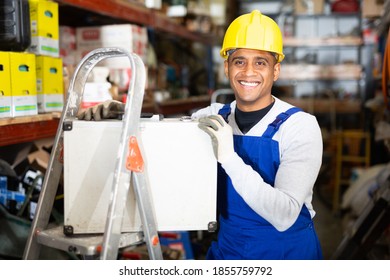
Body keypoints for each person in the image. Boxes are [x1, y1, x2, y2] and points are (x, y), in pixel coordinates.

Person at [192, 10, 324, 260]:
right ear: (227, 67)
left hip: (286, 254)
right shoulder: (214, 115)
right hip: (229, 251)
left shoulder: (299, 126)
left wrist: (229, 158)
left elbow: (284, 215)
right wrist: (125, 114)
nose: (248, 72)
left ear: (275, 71)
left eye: (260, 62)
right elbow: (164, 135)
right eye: (239, 61)